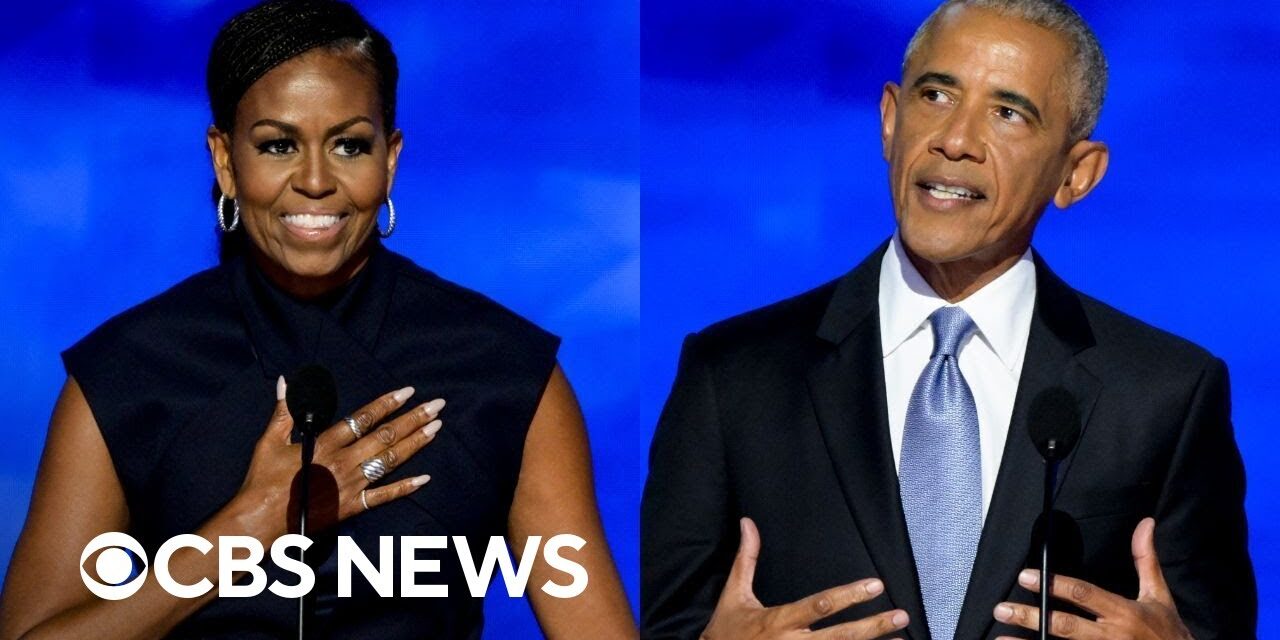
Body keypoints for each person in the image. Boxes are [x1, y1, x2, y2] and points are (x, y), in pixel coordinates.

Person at [0, 1, 636, 638]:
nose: (313, 181)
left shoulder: (505, 373)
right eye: (277, 145)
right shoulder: (128, 373)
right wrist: (238, 533)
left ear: (389, 160)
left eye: (349, 145)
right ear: (225, 161)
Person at [640, 1, 1255, 639]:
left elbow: (1210, 624)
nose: (955, 141)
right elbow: (671, 623)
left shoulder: (1166, 393)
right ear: (889, 119)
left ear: (1076, 174)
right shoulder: (734, 374)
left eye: (1009, 113)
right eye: (935, 95)